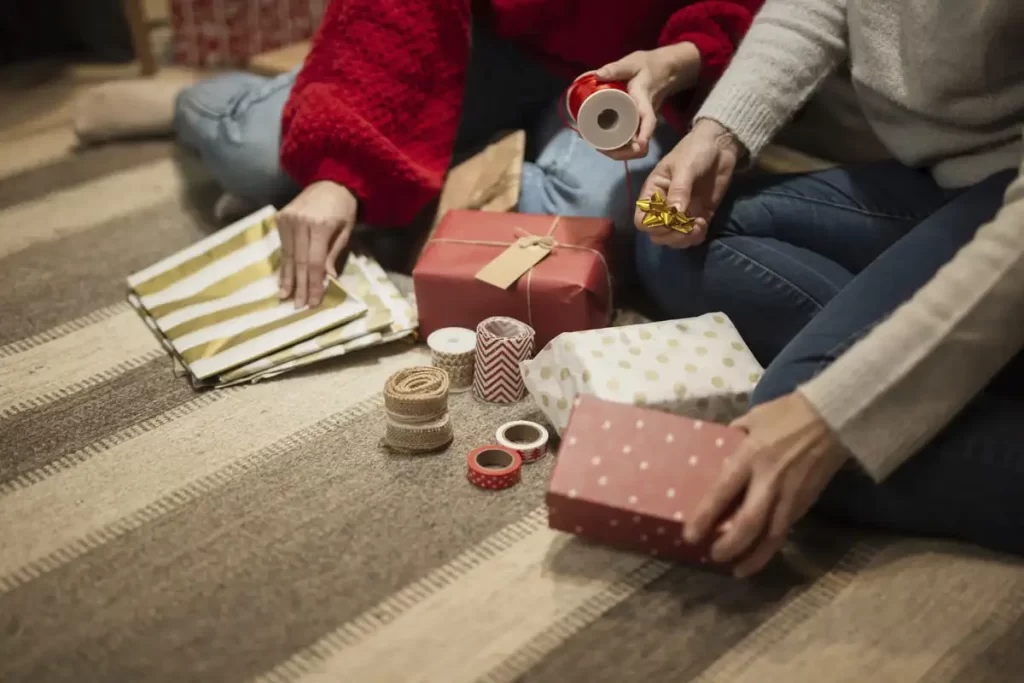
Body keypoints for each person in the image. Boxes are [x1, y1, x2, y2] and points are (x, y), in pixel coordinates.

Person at [623, 0, 1024, 576]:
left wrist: (837, 413)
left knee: (787, 438)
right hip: (953, 181)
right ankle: (985, 360)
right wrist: (721, 131)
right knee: (673, 240)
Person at [74, 0, 764, 308]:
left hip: (644, 65)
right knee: (259, 156)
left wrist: (683, 59)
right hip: (483, 40)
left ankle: (389, 183)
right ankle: (193, 104)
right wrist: (345, 166)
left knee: (582, 226)